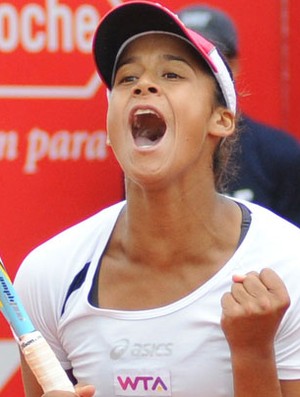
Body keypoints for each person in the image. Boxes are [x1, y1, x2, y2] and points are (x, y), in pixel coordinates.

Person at [13, 2, 300, 397]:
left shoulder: (289, 265)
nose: (143, 85)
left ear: (223, 119)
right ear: (111, 129)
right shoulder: (48, 275)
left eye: (171, 73)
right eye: (126, 77)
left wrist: (253, 353)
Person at [178, 4, 300, 227]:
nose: (195, 68)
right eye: (182, 58)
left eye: (208, 57)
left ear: (232, 65)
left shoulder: (282, 154)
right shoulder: (152, 153)